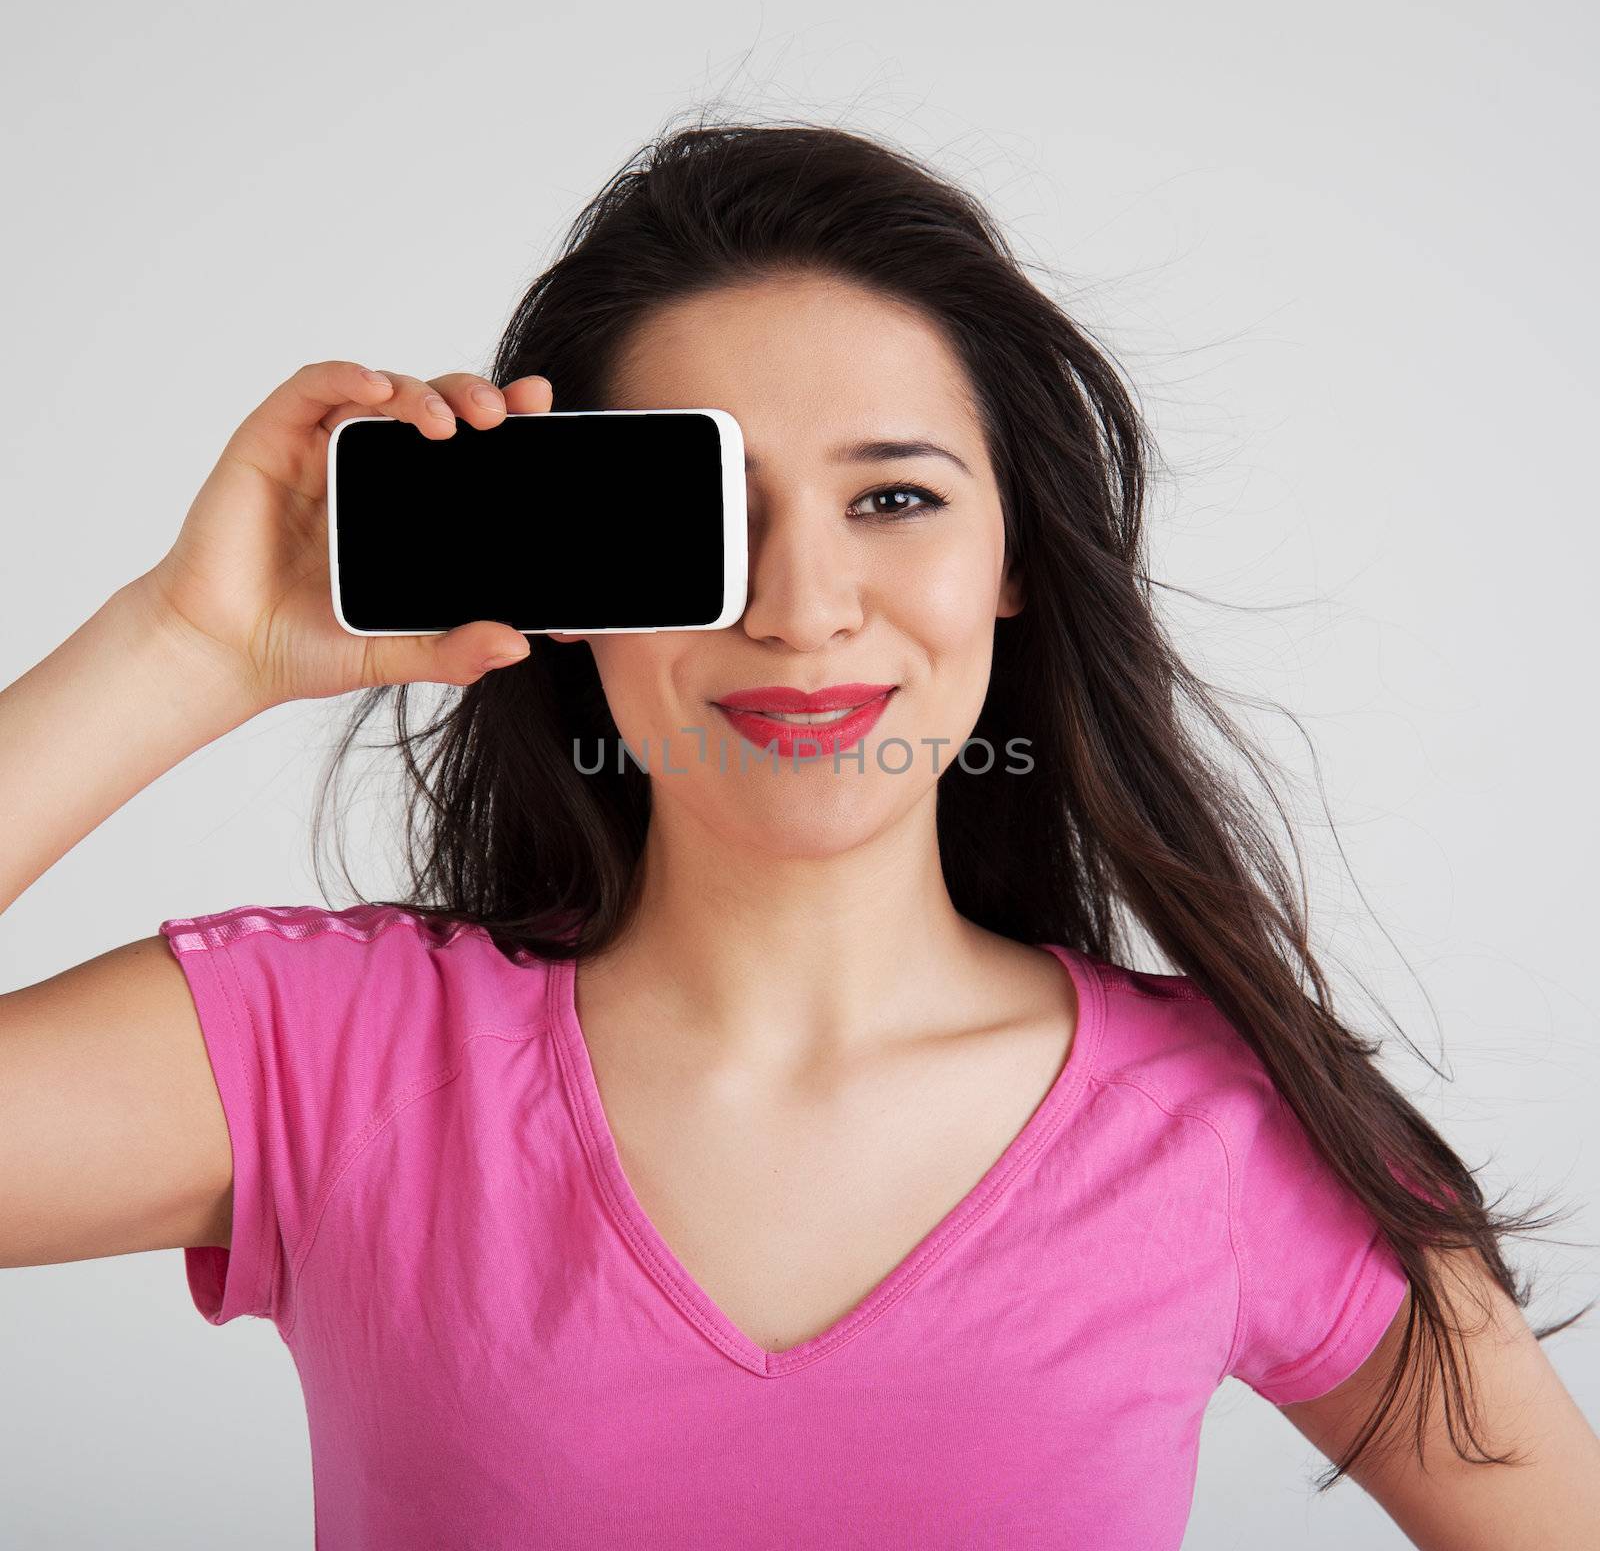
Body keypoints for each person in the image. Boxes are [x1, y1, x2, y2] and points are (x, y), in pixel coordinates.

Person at [2, 117, 1597, 1550]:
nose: (802, 608)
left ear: (1017, 559)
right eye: (706, 513)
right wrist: (181, 649)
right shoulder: (327, 1054)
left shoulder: (1229, 1124)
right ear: (572, 583)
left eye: (893, 499)